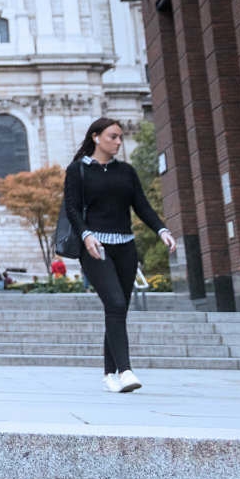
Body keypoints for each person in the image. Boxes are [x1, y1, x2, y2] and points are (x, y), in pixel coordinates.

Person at [64, 117, 176, 393]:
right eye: (112, 136)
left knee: (118, 309)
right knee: (114, 303)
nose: (118, 142)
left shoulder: (126, 171)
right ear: (96, 137)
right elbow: (72, 209)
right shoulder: (78, 170)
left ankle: (109, 374)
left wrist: (162, 230)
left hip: (126, 247)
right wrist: (86, 235)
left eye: (120, 138)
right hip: (95, 248)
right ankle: (125, 371)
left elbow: (142, 206)